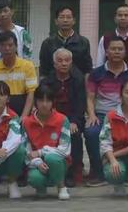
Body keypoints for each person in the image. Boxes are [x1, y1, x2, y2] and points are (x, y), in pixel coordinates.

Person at [85, 36, 128, 186]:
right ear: (107, 51)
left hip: (126, 115)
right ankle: (97, 173)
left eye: (120, 49)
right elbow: (90, 98)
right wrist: (91, 115)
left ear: (125, 52)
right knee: (91, 132)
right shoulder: (96, 73)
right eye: (113, 49)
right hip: (103, 115)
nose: (116, 52)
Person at [42, 48, 86, 187]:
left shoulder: (78, 79)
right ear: (54, 64)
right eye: (60, 60)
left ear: (71, 62)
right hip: (52, 119)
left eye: (67, 60)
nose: (64, 63)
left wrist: (74, 121)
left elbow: (80, 104)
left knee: (75, 134)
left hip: (72, 119)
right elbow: (45, 104)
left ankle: (71, 172)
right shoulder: (47, 81)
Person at [22, 82, 71, 200]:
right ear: (35, 102)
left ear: (53, 102)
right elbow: (26, 151)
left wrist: (41, 152)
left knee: (52, 158)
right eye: (41, 100)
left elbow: (65, 150)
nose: (44, 104)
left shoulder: (62, 119)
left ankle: (61, 186)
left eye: (48, 101)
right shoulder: (26, 122)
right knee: (34, 178)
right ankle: (41, 187)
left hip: (58, 162)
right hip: (37, 164)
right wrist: (38, 162)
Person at [0, 31, 37, 117]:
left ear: (16, 47)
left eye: (10, 45)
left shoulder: (28, 66)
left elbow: (31, 93)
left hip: (21, 112)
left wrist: (23, 117)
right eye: (3, 45)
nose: (7, 48)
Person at [96, 4, 128, 79]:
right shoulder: (105, 38)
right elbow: (99, 64)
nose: (123, 18)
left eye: (126, 15)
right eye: (120, 15)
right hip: (109, 82)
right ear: (115, 18)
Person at [39, 6, 92, 79]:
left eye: (68, 17)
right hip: (53, 85)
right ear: (56, 21)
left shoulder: (83, 42)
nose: (65, 20)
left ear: (74, 21)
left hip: (77, 84)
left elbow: (87, 69)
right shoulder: (48, 43)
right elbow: (43, 70)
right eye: (62, 17)